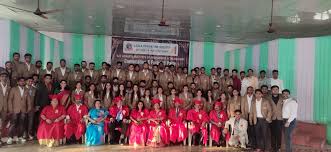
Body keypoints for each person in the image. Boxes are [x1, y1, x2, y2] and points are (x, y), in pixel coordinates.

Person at [7, 77, 28, 144]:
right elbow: (10, 100)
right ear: (17, 82)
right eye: (20, 81)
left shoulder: (26, 89)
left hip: (23, 110)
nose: (22, 82)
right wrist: (10, 109)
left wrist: (29, 108)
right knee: (13, 124)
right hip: (15, 109)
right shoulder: (13, 89)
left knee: (22, 124)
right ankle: (10, 138)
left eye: (23, 81)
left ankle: (20, 137)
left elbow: (28, 100)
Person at [268, 85, 283, 152]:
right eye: (274, 89)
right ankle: (273, 147)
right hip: (272, 118)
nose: (275, 90)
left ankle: (279, 147)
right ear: (271, 91)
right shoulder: (268, 98)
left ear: (278, 90)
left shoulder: (282, 97)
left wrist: (293, 99)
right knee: (272, 133)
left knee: (279, 133)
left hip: (280, 118)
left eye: (276, 89)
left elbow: (289, 100)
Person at [0, 71, 10, 145]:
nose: (4, 78)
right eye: (2, 76)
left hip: (5, 108)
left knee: (3, 123)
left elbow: (10, 99)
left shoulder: (9, 87)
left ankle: (1, 138)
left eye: (5, 77)